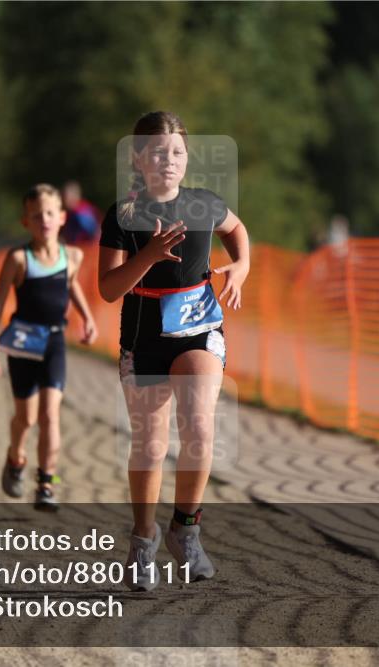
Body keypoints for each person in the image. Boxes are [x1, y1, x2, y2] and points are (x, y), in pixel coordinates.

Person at [98, 111, 250, 590]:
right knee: (150, 444)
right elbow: (106, 288)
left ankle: (186, 529)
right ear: (139, 159)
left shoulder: (203, 203)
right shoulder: (122, 215)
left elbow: (237, 229)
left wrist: (242, 266)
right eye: (159, 152)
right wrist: (147, 256)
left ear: (188, 160)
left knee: (201, 424)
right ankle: (144, 539)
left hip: (199, 328)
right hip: (143, 335)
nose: (169, 160)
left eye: (178, 152)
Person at [0, 184, 98, 511]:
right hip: (22, 343)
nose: (44, 220)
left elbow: (71, 283)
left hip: (54, 341)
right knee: (26, 418)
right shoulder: (18, 259)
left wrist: (87, 317)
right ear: (25, 222)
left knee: (50, 414)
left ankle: (46, 482)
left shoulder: (72, 256)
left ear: (62, 218)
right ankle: (15, 457)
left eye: (49, 213)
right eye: (36, 215)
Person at [61, 180, 101, 245]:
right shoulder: (70, 213)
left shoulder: (82, 213)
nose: (62, 199)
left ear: (73, 196)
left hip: (87, 251)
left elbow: (96, 233)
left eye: (65, 196)